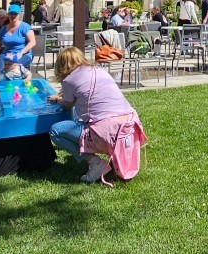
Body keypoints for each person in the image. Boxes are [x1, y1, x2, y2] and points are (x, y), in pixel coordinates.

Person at [48, 47, 146, 184]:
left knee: (56, 131)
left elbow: (66, 106)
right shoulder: (99, 70)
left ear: (61, 65)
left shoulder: (68, 81)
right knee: (80, 115)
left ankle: (96, 164)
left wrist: (57, 99)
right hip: (129, 128)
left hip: (107, 134)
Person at [0, 3, 36, 78]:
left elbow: (32, 42)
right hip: (7, 54)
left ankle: (17, 82)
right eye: (11, 14)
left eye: (15, 14)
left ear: (19, 15)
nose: (13, 16)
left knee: (13, 68)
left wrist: (21, 52)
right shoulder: (3, 29)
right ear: (8, 15)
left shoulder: (25, 27)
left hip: (23, 54)